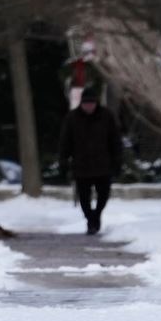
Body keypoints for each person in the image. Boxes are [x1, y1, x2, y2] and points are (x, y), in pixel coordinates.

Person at [58, 86, 121, 234]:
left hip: (103, 165)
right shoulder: (72, 118)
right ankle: (90, 219)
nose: (89, 106)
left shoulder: (107, 116)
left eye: (91, 103)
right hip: (81, 166)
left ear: (96, 103)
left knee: (104, 194)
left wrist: (117, 161)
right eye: (86, 103)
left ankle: (96, 215)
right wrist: (63, 161)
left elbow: (115, 140)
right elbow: (65, 141)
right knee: (84, 198)